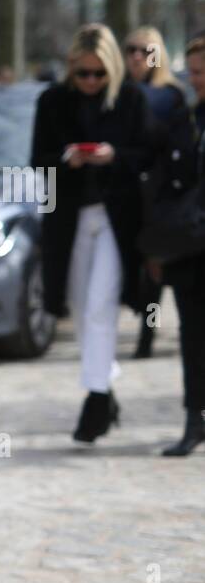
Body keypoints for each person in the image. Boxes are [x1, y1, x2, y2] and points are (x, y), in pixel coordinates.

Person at [31, 23, 152, 444]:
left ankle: (96, 400)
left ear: (112, 69)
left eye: (98, 73)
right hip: (71, 218)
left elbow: (146, 154)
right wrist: (68, 159)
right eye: (82, 73)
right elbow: (38, 161)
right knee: (81, 308)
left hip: (117, 218)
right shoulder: (51, 102)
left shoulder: (131, 100)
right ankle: (105, 385)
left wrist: (113, 156)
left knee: (101, 306)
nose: (90, 82)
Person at [149, 33, 205, 456]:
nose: (197, 79)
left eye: (203, 72)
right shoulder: (184, 119)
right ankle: (193, 419)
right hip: (189, 242)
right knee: (192, 334)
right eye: (194, 71)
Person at [123, 27, 191, 359]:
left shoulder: (170, 95)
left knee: (159, 274)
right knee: (142, 275)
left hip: (162, 197)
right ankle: (146, 331)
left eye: (145, 50)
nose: (137, 56)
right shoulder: (120, 93)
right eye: (131, 50)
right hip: (130, 197)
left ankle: (150, 335)